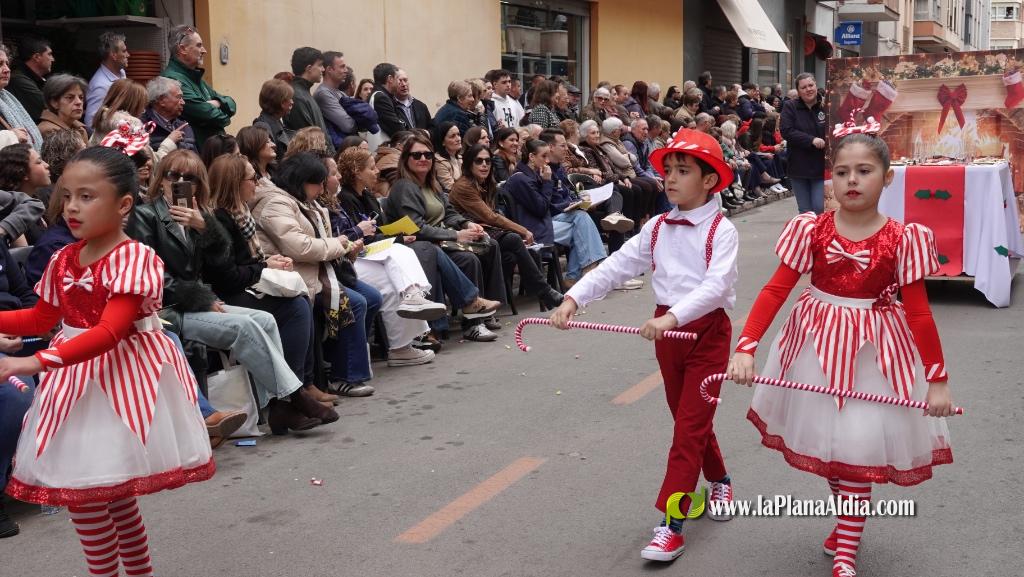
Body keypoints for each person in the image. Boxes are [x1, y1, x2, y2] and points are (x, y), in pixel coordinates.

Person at [727, 130, 955, 577]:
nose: (852, 180)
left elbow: (920, 313)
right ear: (830, 178)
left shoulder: (903, 238)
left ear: (887, 179)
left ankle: (845, 552)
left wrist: (937, 377)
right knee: (833, 451)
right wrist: (747, 346)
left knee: (857, 450)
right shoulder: (811, 228)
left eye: (865, 171)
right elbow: (776, 289)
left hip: (875, 355)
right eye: (842, 172)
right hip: (814, 345)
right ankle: (848, 524)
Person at [0, 145, 213, 574]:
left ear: (124, 204)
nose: (72, 208)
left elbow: (109, 332)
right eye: (67, 196)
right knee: (102, 501)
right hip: (74, 384)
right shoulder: (63, 258)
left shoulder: (133, 258)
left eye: (87, 196)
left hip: (119, 381)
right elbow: (42, 315)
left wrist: (30, 363)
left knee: (101, 500)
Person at [549, 129, 739, 563]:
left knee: (687, 428)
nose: (670, 179)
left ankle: (672, 523)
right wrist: (574, 297)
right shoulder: (657, 227)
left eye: (683, 171)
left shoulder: (721, 231)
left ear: (710, 181)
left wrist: (673, 317)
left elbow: (715, 288)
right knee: (688, 419)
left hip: (706, 335)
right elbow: (617, 266)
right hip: (667, 337)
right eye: (668, 170)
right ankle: (721, 477)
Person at [127, 148, 329, 434]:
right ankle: (294, 397)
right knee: (243, 327)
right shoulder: (145, 216)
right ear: (161, 180)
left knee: (265, 320)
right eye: (175, 176)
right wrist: (203, 299)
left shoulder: (199, 217)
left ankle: (278, 408)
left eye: (192, 177)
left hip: (199, 302)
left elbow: (220, 261)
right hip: (167, 310)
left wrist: (203, 227)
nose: (182, 182)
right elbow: (153, 278)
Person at [383, 134, 504, 342]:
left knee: (475, 254)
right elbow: (417, 228)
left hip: (439, 243)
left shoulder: (432, 185)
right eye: (417, 155)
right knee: (452, 255)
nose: (423, 159)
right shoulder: (405, 186)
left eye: (428, 154)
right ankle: (470, 305)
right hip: (417, 247)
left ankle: (474, 323)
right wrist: (456, 234)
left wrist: (465, 223)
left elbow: (448, 212)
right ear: (406, 159)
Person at [449, 143, 563, 309]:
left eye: (487, 161)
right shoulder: (464, 186)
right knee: (514, 239)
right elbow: (490, 217)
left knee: (511, 254)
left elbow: (493, 214)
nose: (484, 165)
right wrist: (522, 230)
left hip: (486, 231)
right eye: (478, 161)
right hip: (467, 233)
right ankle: (544, 291)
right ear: (468, 164)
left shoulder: (487, 183)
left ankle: (495, 305)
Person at [161, 25, 236, 147]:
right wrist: (221, 108)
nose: (204, 51)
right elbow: (206, 114)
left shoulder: (193, 76)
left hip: (208, 149)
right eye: (199, 45)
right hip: (197, 152)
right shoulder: (173, 79)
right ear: (182, 49)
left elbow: (232, 103)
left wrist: (216, 103)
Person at [781, 73, 827, 214]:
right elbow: (787, 131)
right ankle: (807, 235)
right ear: (798, 91)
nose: (808, 89)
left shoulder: (826, 105)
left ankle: (819, 235)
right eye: (803, 87)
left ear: (816, 86)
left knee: (819, 206)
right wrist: (811, 140)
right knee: (805, 210)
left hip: (821, 166)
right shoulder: (790, 106)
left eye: (810, 85)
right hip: (799, 166)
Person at [0, 143, 47, 245]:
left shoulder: (37, 200)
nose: (47, 165)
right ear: (23, 173)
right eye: (39, 162)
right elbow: (23, 255)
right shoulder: (11, 213)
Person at [0, 46, 43, 150]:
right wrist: (10, 137)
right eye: (0, 64)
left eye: (7, 63)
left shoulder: (7, 98)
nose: (7, 69)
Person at [141, 76, 196, 154]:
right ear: (161, 100)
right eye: (178, 97)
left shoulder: (185, 126)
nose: (183, 102)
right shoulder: (143, 127)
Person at [85, 32, 129, 127]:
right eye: (124, 51)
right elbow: (90, 123)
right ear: (114, 55)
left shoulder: (121, 72)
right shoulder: (100, 85)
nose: (128, 55)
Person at [314, 51, 357, 149]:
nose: (346, 70)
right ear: (329, 69)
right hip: (337, 150)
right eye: (342, 67)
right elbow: (348, 125)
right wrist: (361, 119)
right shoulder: (323, 93)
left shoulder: (340, 93)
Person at [8, 37, 52, 124]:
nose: (52, 59)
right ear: (36, 57)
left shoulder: (38, 79)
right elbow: (48, 107)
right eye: (49, 54)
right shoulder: (18, 80)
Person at [37, 74, 88, 145]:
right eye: (70, 97)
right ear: (54, 103)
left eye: (81, 97)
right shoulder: (49, 131)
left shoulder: (80, 129)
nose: (79, 102)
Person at [253, 79, 295, 162]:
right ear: (282, 103)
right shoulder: (262, 127)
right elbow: (269, 161)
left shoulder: (276, 121)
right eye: (290, 99)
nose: (292, 102)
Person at [432, 121, 463, 192]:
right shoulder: (438, 161)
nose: (458, 139)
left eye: (458, 134)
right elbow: (451, 188)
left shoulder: (460, 158)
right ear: (442, 142)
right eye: (453, 136)